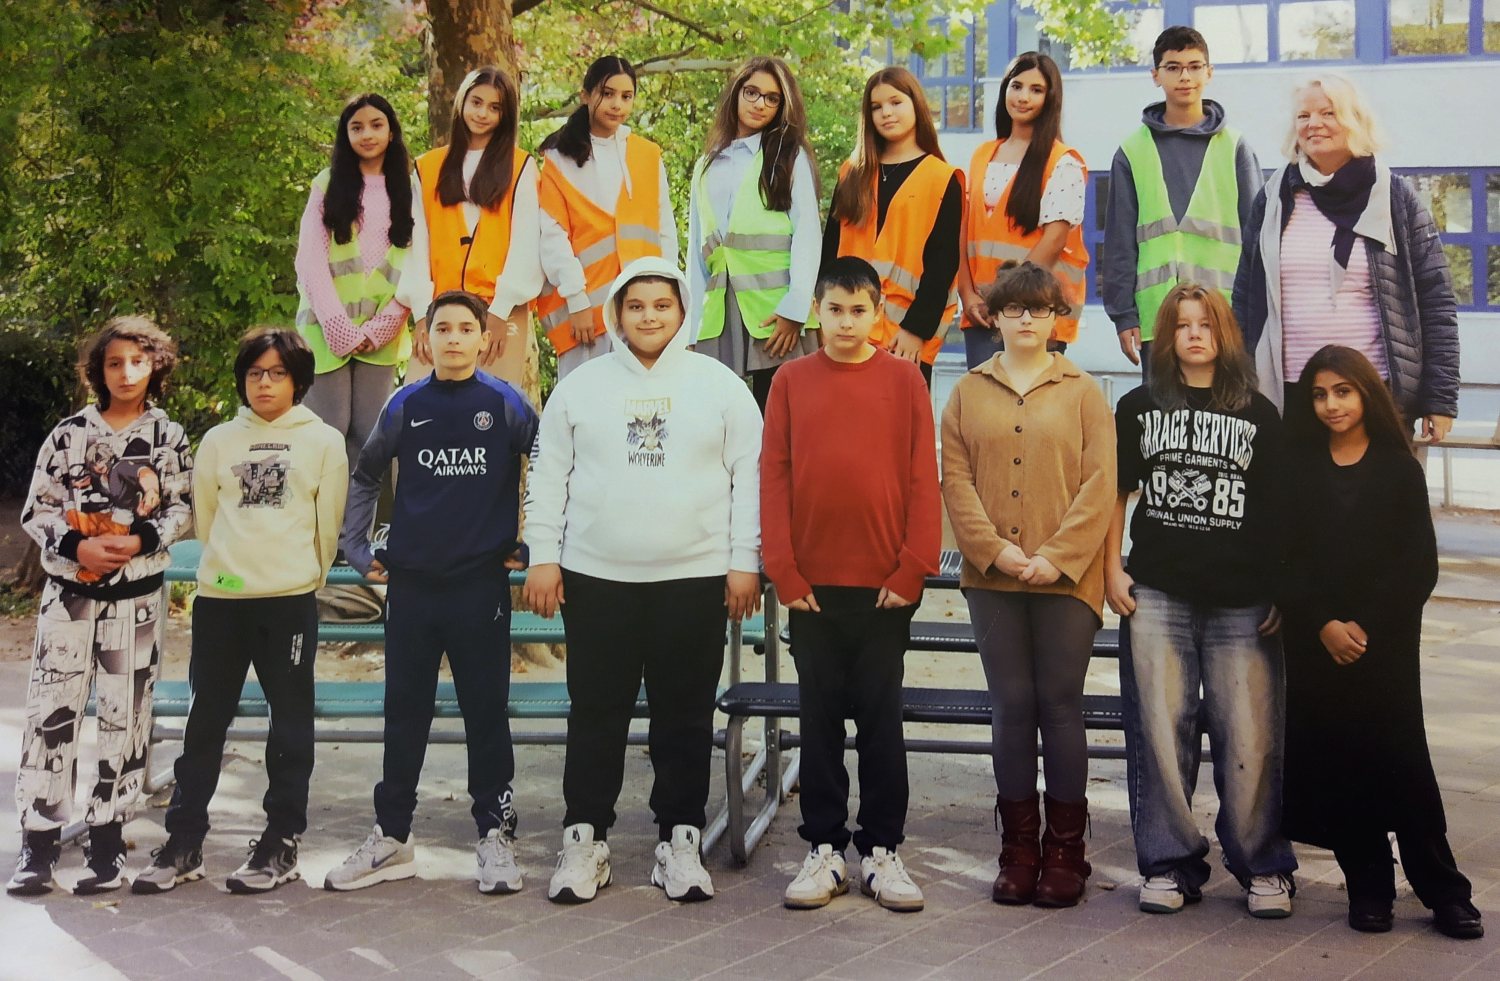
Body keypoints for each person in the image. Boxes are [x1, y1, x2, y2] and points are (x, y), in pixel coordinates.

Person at [524, 256, 761, 905]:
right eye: (636, 305)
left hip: (695, 577)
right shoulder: (581, 386)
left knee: (684, 715)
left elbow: (751, 477)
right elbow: (548, 475)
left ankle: (680, 839)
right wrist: (543, 553)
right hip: (597, 577)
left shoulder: (721, 386)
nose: (649, 316)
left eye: (661, 304)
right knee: (595, 710)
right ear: (616, 314)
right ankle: (584, 838)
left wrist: (745, 559)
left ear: (683, 310)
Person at [325, 290, 538, 896]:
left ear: (483, 339)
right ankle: (392, 836)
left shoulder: (505, 403)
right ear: (425, 339)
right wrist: (355, 547)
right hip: (412, 588)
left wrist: (537, 542)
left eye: (465, 328)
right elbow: (365, 474)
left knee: (486, 714)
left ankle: (494, 835)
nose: (453, 338)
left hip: (480, 588)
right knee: (405, 713)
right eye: (442, 328)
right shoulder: (405, 403)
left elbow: (551, 461)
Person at [1104, 284, 1297, 918]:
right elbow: (1116, 494)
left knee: (1251, 736)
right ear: (1166, 336)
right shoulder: (1138, 407)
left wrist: (1281, 588)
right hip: (1158, 592)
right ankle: (1169, 864)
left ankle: (1263, 866)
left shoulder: (1258, 414)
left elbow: (1278, 511)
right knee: (1161, 731)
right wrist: (1111, 568)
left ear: (1225, 335)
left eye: (1206, 324)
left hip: (1243, 601)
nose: (1194, 334)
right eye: (1182, 324)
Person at [133, 329, 347, 896]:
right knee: (204, 722)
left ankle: (280, 842)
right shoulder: (219, 440)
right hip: (222, 602)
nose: (264, 383)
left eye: (277, 373)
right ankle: (183, 843)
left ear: (298, 380)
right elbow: (207, 518)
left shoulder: (323, 441)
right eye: (255, 373)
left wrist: (296, 577)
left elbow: (328, 528)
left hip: (289, 603)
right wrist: (230, 571)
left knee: (290, 725)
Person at [1279, 345, 1482, 940]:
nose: (1331, 404)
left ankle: (1443, 889)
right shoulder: (1298, 469)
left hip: (1384, 644)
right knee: (1341, 763)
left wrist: (1364, 626)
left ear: (1367, 393)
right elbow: (1284, 559)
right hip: (1316, 642)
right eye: (1319, 394)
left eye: (1342, 391)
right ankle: (1368, 886)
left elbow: (1417, 565)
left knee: (1402, 763)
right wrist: (1323, 624)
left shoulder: (1398, 468)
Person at [764, 256, 940, 913]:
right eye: (834, 309)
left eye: (858, 310)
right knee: (818, 719)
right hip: (812, 586)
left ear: (878, 314)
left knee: (879, 718)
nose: (845, 321)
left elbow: (923, 475)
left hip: (885, 586)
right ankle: (825, 847)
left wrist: (913, 565)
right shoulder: (790, 380)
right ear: (816, 310)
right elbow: (774, 474)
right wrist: (783, 568)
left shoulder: (904, 380)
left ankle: (883, 849)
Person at [941, 260, 1115, 909]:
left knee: (1060, 703)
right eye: (1013, 308)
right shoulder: (968, 392)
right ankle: (1018, 850)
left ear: (1055, 318)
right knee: (1012, 704)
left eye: (1039, 309)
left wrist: (1056, 556)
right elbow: (955, 480)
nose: (1025, 319)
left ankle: (1066, 852)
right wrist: (997, 552)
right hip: (994, 578)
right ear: (994, 317)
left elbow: (1101, 483)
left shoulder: (1083, 391)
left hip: (1067, 577)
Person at [9, 317, 193, 897]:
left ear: (156, 366)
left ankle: (107, 840)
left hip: (135, 601)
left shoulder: (169, 437)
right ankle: (39, 842)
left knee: (126, 717)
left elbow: (181, 507)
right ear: (98, 370)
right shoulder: (68, 435)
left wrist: (140, 540)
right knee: (51, 713)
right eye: (114, 363)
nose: (126, 373)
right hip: (69, 598)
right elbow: (38, 509)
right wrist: (77, 546)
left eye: (138, 361)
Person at [1233, 74, 1459, 439]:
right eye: (1304, 115)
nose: (1314, 123)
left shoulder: (1394, 198)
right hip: (1291, 394)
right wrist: (1239, 381)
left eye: (1328, 113)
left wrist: (1440, 399)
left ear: (1355, 120)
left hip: (1375, 391)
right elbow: (1244, 298)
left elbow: (1436, 302)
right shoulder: (1273, 199)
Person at [1103, 26, 1262, 377]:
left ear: (1209, 72)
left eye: (1194, 66)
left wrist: (1252, 316)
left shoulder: (1235, 148)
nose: (1185, 76)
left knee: (1227, 410)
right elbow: (1119, 243)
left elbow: (1257, 242)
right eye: (1173, 67)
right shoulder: (1132, 151)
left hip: (1223, 320)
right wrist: (1123, 316)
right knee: (1162, 411)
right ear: (1155, 75)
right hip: (1157, 321)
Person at [295, 93, 432, 469]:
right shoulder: (327, 184)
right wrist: (337, 327)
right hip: (325, 330)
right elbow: (310, 261)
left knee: (370, 435)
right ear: (346, 135)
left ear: (392, 132)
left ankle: (360, 512)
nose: (367, 134)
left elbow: (418, 262)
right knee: (329, 428)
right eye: (356, 128)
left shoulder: (411, 190)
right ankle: (321, 509)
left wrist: (385, 325)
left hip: (381, 333)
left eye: (376, 125)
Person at [689, 56, 822, 412]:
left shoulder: (789, 158)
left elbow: (808, 233)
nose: (760, 103)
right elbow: (696, 253)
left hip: (776, 312)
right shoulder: (706, 166)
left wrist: (795, 308)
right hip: (718, 314)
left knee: (780, 416)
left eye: (771, 98)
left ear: (782, 106)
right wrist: (691, 327)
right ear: (736, 93)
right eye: (751, 92)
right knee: (719, 417)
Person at [536, 56, 679, 380]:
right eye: (607, 93)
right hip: (585, 314)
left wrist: (667, 296)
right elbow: (553, 235)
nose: (617, 104)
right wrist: (576, 301)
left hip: (642, 310)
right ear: (585, 95)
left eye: (626, 96)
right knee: (586, 397)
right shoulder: (559, 157)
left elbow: (664, 231)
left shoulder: (646, 154)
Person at [821, 66, 963, 387]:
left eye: (895, 102)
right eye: (876, 107)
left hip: (905, 338)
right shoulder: (852, 172)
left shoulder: (942, 178)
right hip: (847, 329)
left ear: (916, 105)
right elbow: (830, 250)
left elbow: (943, 266)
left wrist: (916, 330)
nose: (886, 112)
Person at [410, 65, 542, 388]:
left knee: (492, 405)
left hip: (500, 310)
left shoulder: (521, 166)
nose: (483, 114)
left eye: (495, 107)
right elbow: (416, 246)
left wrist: (499, 312)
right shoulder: (427, 167)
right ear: (462, 102)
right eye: (476, 102)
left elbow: (526, 243)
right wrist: (421, 315)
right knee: (423, 404)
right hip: (438, 309)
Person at [956, 52, 1088, 368]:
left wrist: (1004, 302)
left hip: (1036, 314)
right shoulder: (982, 154)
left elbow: (1054, 241)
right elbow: (965, 229)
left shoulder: (1063, 162)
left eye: (1036, 90)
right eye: (1016, 86)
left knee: (1031, 399)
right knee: (985, 397)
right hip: (980, 312)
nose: (1023, 97)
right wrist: (967, 294)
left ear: (1050, 98)